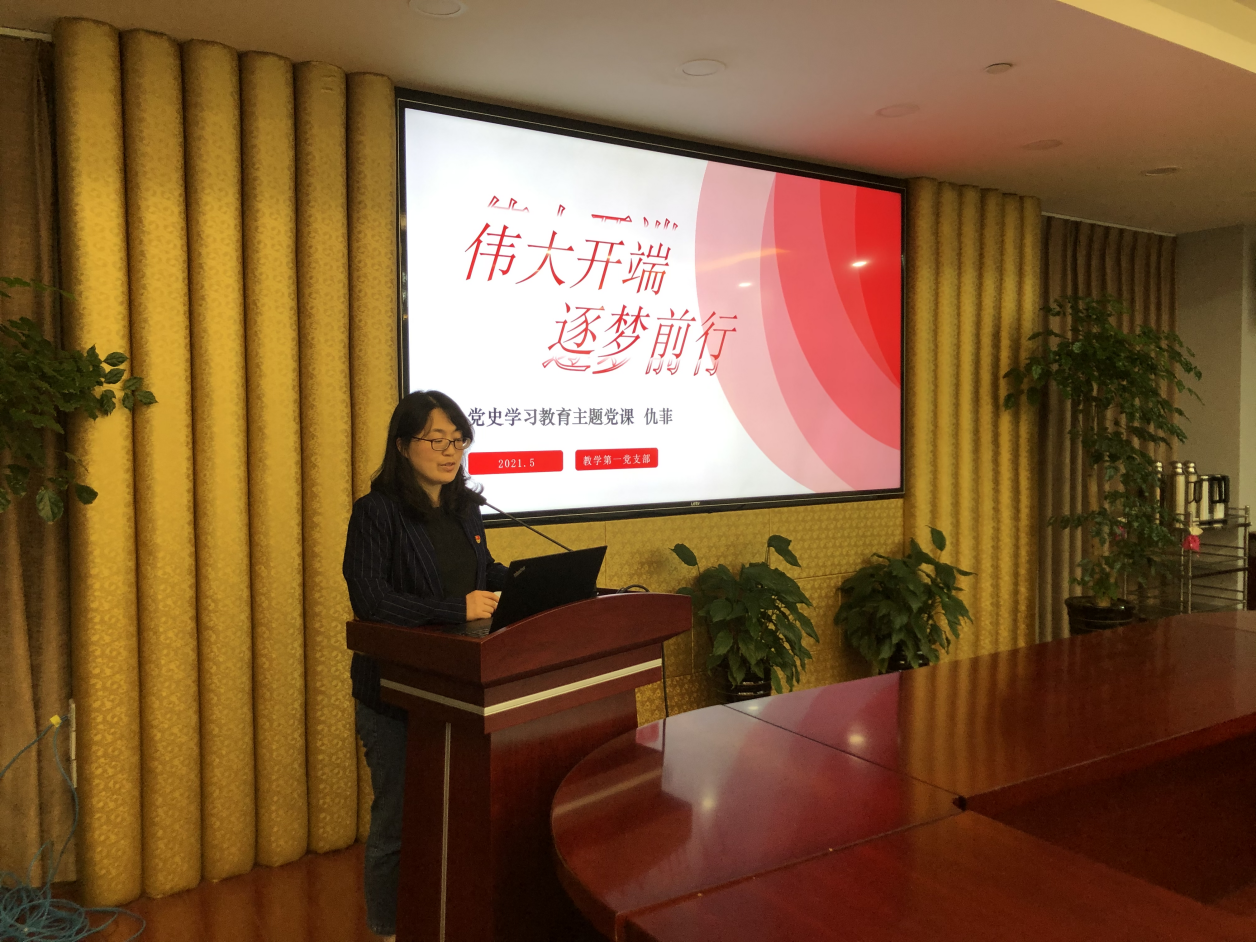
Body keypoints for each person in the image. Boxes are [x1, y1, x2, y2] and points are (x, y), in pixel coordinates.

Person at [343, 390, 509, 940]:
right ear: (401, 445)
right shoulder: (376, 513)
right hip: (395, 694)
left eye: (458, 440)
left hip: (462, 690)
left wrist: (526, 581)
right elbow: (372, 600)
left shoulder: (465, 509)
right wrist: (454, 609)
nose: (449, 451)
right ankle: (387, 930)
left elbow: (483, 572)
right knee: (397, 820)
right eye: (435, 440)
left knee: (456, 817)